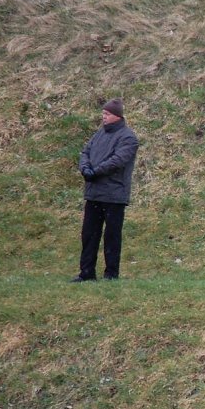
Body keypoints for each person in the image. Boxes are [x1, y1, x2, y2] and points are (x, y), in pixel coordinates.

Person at [72, 99, 139, 282]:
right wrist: (85, 169)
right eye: (103, 114)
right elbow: (85, 152)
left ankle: (111, 274)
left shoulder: (128, 138)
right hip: (94, 192)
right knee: (89, 234)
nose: (104, 117)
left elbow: (118, 161)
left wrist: (96, 171)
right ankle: (86, 273)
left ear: (118, 116)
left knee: (112, 236)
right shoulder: (99, 134)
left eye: (107, 114)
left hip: (114, 195)